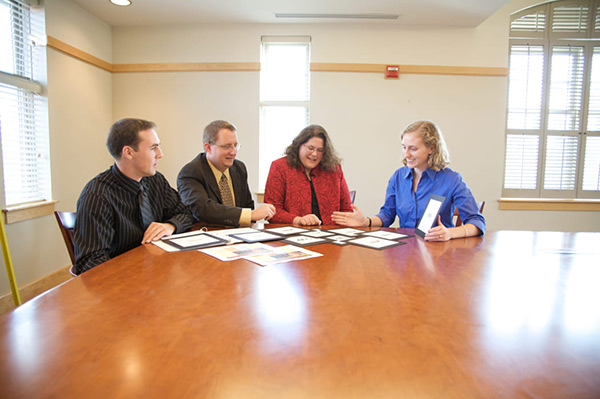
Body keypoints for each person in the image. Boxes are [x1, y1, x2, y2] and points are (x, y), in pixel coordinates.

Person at [74, 118, 193, 275]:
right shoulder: (97, 195)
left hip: (157, 273)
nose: (160, 154)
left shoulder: (155, 180)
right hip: (122, 284)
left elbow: (185, 213)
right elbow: (90, 263)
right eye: (153, 148)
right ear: (128, 152)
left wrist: (170, 225)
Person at [331, 120, 485, 241]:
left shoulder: (452, 180)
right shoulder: (398, 177)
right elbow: (387, 215)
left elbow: (477, 222)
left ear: (431, 148)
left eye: (413, 149)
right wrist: (365, 222)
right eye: (404, 147)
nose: (406, 154)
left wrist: (450, 233)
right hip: (404, 252)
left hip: (437, 253)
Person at [177, 120, 275, 226]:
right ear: (208, 147)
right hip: (209, 235)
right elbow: (202, 210)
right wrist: (251, 215)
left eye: (235, 145)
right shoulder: (191, 172)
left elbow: (247, 206)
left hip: (241, 235)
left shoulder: (239, 168)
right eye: (226, 146)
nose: (233, 152)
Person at [264, 124, 353, 226]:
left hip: (330, 234)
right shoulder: (280, 167)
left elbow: (347, 210)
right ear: (299, 146)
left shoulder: (334, 170)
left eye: (320, 150)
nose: (314, 154)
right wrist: (298, 220)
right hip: (293, 234)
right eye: (311, 148)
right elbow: (271, 211)